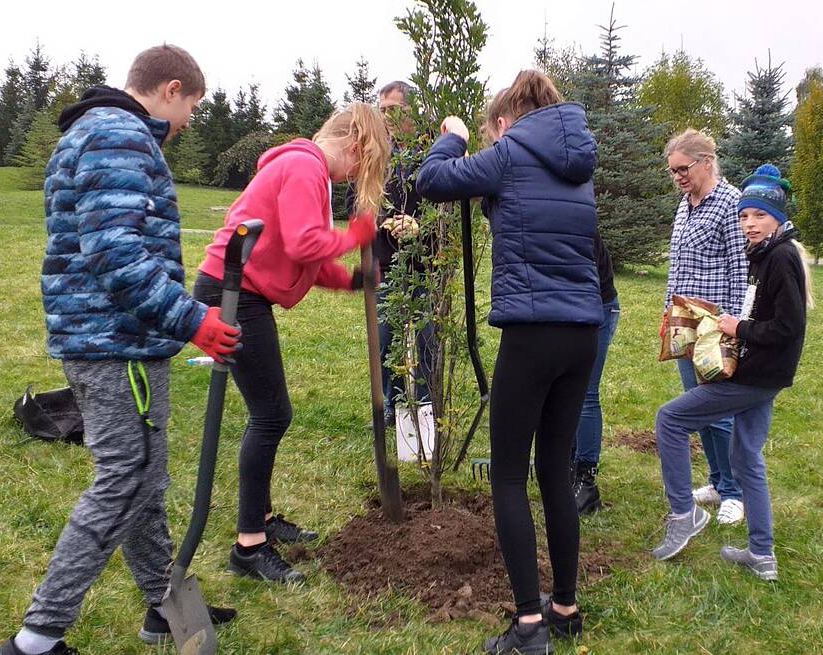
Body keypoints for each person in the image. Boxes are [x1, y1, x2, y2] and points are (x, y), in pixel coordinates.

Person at [0, 45, 240, 655]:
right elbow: (116, 254)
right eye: (191, 109)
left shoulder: (98, 132)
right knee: (125, 479)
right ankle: (35, 639)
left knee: (145, 478)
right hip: (116, 343)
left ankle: (163, 606)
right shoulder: (120, 136)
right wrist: (192, 321)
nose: (186, 124)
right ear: (171, 88)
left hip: (113, 338)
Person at [417, 70, 601, 655]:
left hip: (530, 337)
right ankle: (565, 607)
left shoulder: (510, 152)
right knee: (554, 469)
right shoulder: (578, 165)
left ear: (504, 122)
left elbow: (431, 181)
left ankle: (528, 627)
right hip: (582, 336)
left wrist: (451, 135)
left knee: (506, 478)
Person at [194, 103, 389, 584]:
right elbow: (306, 243)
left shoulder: (309, 171)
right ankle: (248, 546)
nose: (357, 176)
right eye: (365, 164)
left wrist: (347, 281)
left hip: (241, 291)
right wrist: (355, 236)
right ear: (357, 145)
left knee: (269, 412)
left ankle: (260, 520)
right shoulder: (305, 167)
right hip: (232, 293)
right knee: (271, 414)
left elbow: (300, 253)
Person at [651, 164, 813, 582]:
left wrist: (736, 328)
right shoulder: (764, 255)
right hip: (763, 373)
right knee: (746, 458)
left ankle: (684, 515)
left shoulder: (781, 257)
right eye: (744, 216)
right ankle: (762, 554)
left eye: (759, 215)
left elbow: (788, 328)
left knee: (669, 420)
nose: (749, 223)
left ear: (776, 216)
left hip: (757, 377)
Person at [663, 129, 748, 525]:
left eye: (683, 169)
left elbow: (739, 267)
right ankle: (716, 481)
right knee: (696, 408)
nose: (678, 177)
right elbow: (677, 265)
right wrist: (668, 312)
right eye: (673, 172)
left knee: (719, 411)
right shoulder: (685, 205)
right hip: (685, 324)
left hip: (716, 326)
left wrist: (731, 325)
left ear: (706, 162)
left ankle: (736, 491)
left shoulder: (730, 203)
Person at [365, 80, 437, 426]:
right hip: (386, 264)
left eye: (393, 111)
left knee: (426, 341)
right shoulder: (376, 156)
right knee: (384, 339)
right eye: (381, 111)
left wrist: (418, 226)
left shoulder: (431, 156)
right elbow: (357, 204)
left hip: (425, 264)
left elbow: (447, 210)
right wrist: (385, 221)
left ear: (413, 112)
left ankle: (423, 412)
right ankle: (389, 407)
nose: (386, 119)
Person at [571, 232, 619, 515]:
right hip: (570, 308)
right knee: (568, 392)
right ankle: (570, 469)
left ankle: (587, 483)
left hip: (597, 306)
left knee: (585, 393)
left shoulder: (575, 215)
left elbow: (586, 275)